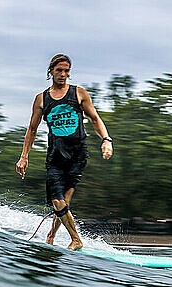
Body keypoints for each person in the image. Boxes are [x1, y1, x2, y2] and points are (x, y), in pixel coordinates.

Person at [16, 54, 113, 250]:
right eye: (59, 70)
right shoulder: (42, 99)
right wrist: (24, 157)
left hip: (77, 155)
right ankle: (74, 239)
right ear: (50, 71)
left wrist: (106, 139)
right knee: (57, 200)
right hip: (55, 157)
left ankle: (56, 236)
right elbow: (32, 129)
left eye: (67, 71)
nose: (63, 74)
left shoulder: (79, 93)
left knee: (63, 202)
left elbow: (95, 118)